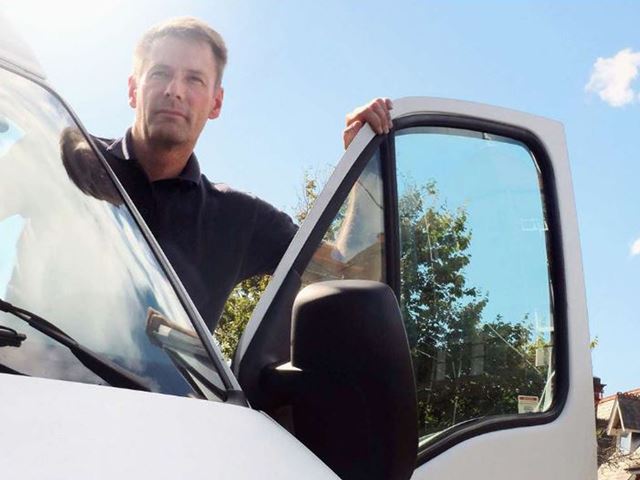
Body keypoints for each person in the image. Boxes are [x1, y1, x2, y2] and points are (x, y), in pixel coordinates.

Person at [92, 17, 393, 332]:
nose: (174, 90)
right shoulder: (71, 161)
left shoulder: (238, 218)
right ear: (133, 90)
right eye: (160, 73)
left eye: (194, 79)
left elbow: (349, 272)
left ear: (216, 103)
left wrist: (366, 164)